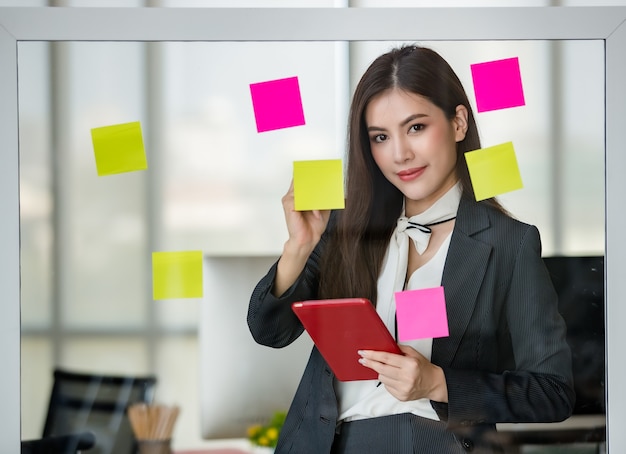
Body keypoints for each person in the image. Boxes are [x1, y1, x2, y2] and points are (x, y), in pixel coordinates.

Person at [247, 45, 575, 454]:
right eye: (381, 137)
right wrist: (298, 247)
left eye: (416, 127)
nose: (400, 153)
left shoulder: (510, 242)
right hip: (327, 443)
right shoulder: (345, 225)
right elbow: (269, 332)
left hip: (434, 443)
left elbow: (552, 392)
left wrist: (437, 382)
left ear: (458, 123)